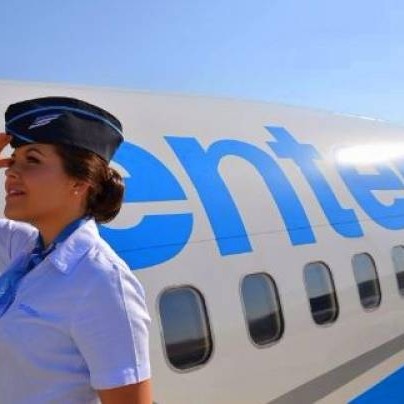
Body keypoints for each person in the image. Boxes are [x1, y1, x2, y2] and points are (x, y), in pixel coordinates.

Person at [0, 97, 152, 403]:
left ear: (79, 183)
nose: (10, 172)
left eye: (32, 160)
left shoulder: (101, 281)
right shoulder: (26, 249)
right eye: (13, 160)